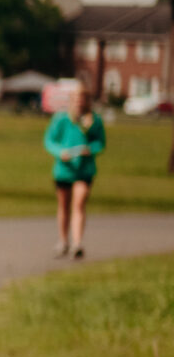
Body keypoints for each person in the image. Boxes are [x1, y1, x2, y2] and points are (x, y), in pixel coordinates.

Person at [44, 84, 106, 258]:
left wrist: (90, 149)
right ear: (71, 100)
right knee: (64, 205)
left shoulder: (93, 120)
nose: (79, 102)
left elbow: (101, 143)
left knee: (79, 203)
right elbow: (49, 140)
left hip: (84, 169)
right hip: (64, 169)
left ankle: (77, 243)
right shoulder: (62, 119)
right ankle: (63, 241)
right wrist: (59, 152)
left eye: (82, 99)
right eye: (76, 99)